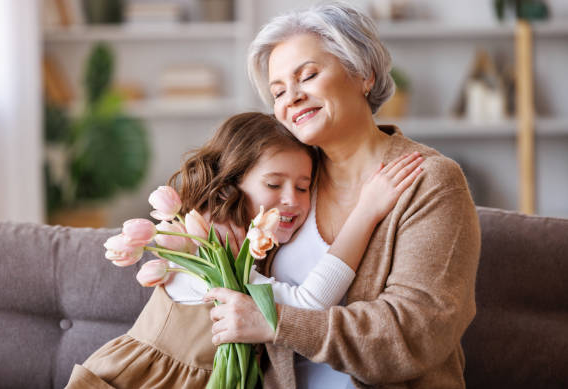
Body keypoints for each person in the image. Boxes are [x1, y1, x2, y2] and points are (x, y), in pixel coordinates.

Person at [204, 3, 481, 389]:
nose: (292, 98)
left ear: (363, 74)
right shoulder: (288, 184)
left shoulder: (430, 182)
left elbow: (415, 333)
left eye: (309, 76)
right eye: (278, 91)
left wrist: (276, 321)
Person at [66, 112, 422, 388]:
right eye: (273, 183)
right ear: (231, 183)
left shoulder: (251, 247)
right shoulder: (207, 247)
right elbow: (311, 305)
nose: (292, 200)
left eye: (303, 187)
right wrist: (366, 212)